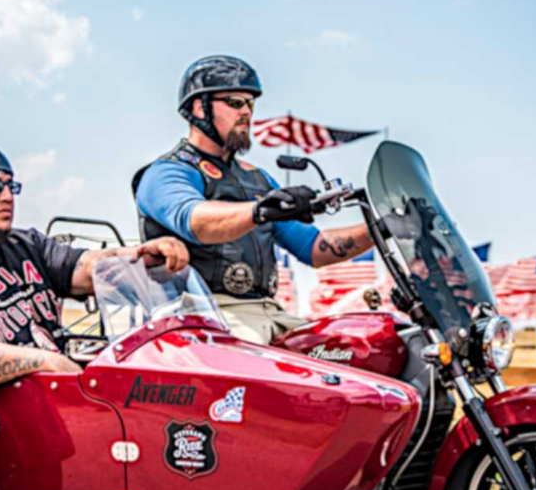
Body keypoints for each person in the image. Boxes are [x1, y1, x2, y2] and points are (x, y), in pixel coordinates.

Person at [0, 143, 189, 387]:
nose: (6, 197)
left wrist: (142, 255)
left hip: (49, 407)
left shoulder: (26, 245)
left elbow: (84, 266)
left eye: (11, 187)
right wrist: (45, 361)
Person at [132, 55, 374, 345]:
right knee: (258, 367)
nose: (247, 112)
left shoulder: (258, 180)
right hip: (202, 315)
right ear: (199, 107)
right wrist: (262, 210)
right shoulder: (168, 172)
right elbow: (196, 220)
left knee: (354, 352)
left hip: (269, 313)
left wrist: (381, 227)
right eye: (235, 102)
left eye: (251, 104)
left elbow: (313, 247)